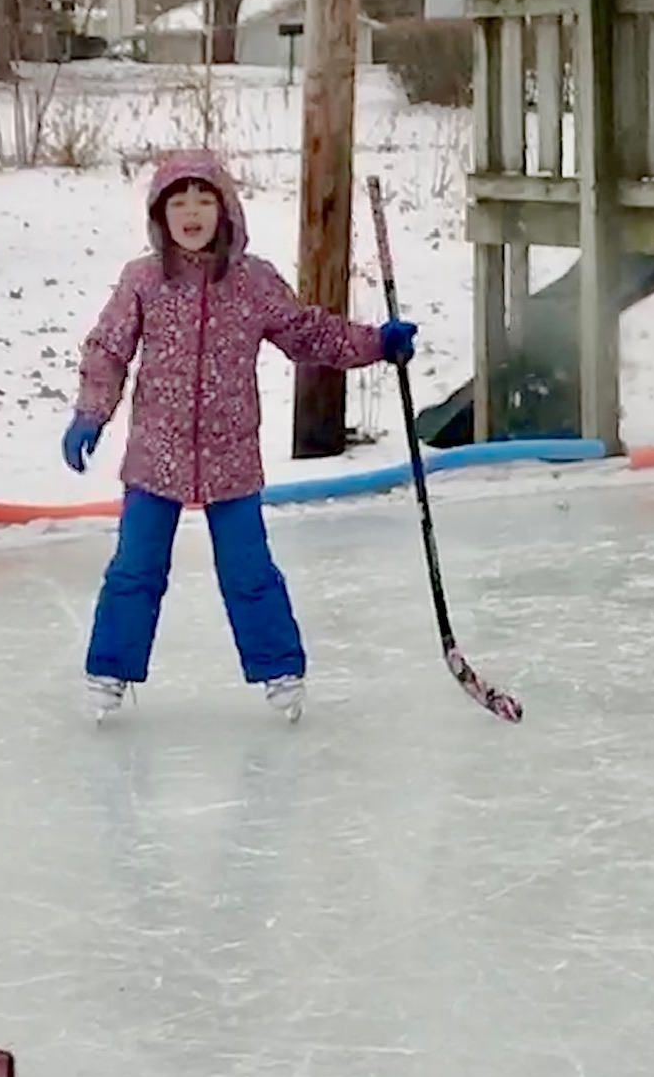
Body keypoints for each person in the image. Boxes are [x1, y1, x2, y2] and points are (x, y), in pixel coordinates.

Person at [62, 150, 416, 722]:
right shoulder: (143, 281)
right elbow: (108, 349)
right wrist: (90, 414)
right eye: (179, 202)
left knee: (249, 572)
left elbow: (308, 334)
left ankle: (280, 668)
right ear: (161, 215)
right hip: (156, 455)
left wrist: (378, 343)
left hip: (231, 457)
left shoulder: (251, 282)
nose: (192, 213)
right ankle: (109, 669)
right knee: (135, 570)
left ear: (226, 210)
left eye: (204, 200)